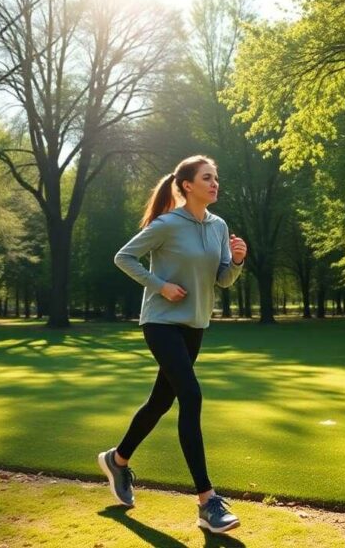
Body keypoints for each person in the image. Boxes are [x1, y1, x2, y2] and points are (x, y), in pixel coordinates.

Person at [99, 155, 247, 534]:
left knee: (161, 401)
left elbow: (222, 280)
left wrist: (236, 262)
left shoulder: (218, 226)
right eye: (207, 178)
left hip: (194, 325)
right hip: (161, 322)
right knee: (191, 396)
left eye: (216, 178)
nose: (214, 184)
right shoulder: (166, 224)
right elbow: (123, 257)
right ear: (187, 185)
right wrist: (160, 285)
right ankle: (207, 502)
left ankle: (117, 460)